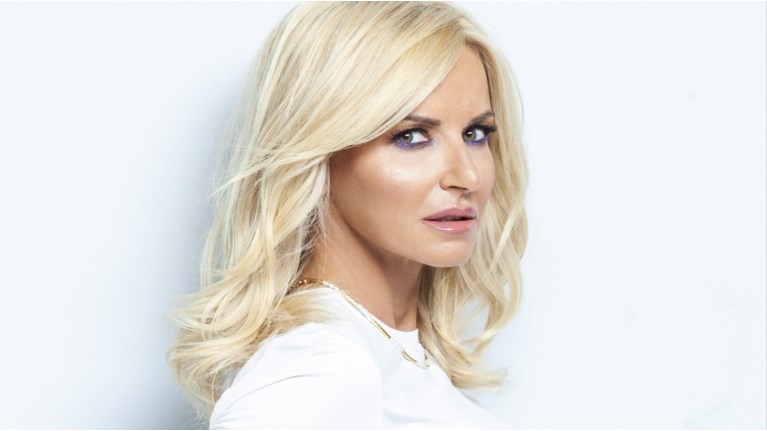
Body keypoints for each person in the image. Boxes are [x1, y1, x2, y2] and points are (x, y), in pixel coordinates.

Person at [169, 2, 527, 428]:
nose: (467, 175)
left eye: (476, 133)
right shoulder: (319, 366)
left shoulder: (382, 351)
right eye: (411, 136)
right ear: (321, 149)